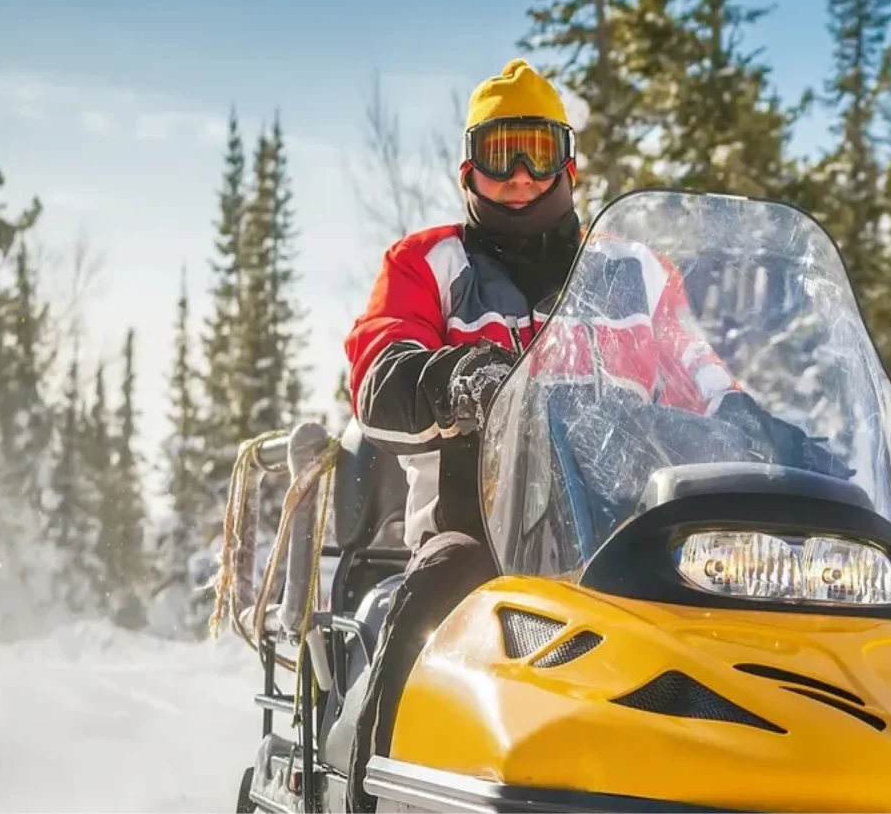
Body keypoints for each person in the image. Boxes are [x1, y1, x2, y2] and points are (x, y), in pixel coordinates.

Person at [336, 59, 826, 812]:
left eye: (538, 148)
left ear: (569, 159)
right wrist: (452, 377)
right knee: (436, 597)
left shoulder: (634, 270)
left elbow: (702, 370)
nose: (524, 175)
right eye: (503, 154)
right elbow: (377, 367)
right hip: (479, 534)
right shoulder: (428, 264)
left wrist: (767, 431)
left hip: (634, 538)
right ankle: (368, 791)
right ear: (471, 164)